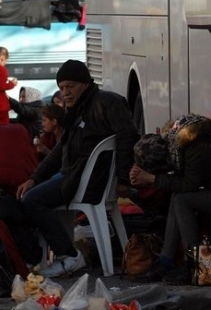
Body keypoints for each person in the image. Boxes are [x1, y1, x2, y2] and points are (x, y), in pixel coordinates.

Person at [16, 59, 139, 278]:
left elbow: (127, 136)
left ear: (84, 83)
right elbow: (58, 152)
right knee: (22, 195)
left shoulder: (106, 102)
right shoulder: (76, 111)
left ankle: (70, 256)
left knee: (32, 200)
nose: (66, 93)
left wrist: (122, 179)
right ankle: (43, 258)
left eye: (70, 86)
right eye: (62, 88)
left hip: (88, 182)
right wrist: (34, 178)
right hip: (74, 176)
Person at [130, 114, 211, 285]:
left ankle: (194, 265)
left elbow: (190, 184)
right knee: (177, 197)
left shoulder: (192, 144)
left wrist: (152, 179)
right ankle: (166, 261)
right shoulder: (174, 143)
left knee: (182, 200)